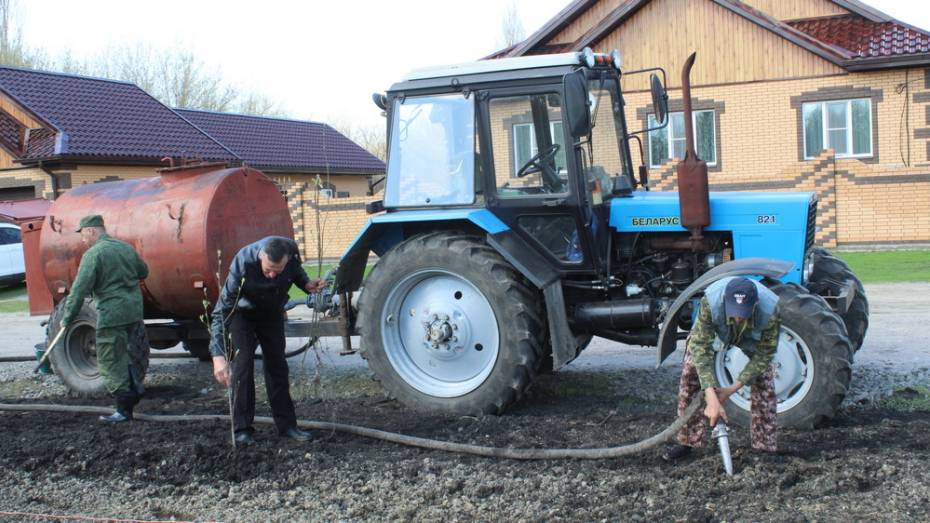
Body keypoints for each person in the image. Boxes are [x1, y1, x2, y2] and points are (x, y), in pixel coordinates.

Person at [209, 236, 326, 445]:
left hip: (271, 312)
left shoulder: (290, 251)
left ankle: (287, 426)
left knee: (277, 366)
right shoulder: (242, 262)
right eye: (268, 270)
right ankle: (243, 430)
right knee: (242, 366)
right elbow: (221, 313)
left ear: (287, 260)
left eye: (277, 271)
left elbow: (296, 271)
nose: (272, 275)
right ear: (261, 257)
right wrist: (218, 355)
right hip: (242, 315)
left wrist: (306, 284)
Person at [663, 277, 781, 462]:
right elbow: (700, 349)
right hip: (719, 331)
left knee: (764, 380)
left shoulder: (770, 310)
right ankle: (687, 441)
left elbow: (765, 354)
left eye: (744, 312)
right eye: (735, 311)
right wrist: (711, 397)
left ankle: (764, 447)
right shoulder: (711, 302)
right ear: (726, 301)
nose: (738, 317)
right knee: (691, 370)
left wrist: (731, 389)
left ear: (755, 303)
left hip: (751, 337)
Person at [61, 214, 149, 423]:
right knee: (127, 354)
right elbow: (143, 271)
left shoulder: (94, 254)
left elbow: (79, 290)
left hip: (112, 314)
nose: (83, 240)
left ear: (91, 230)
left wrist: (67, 318)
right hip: (133, 312)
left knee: (110, 360)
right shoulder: (125, 248)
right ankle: (135, 389)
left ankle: (123, 410)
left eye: (83, 235)